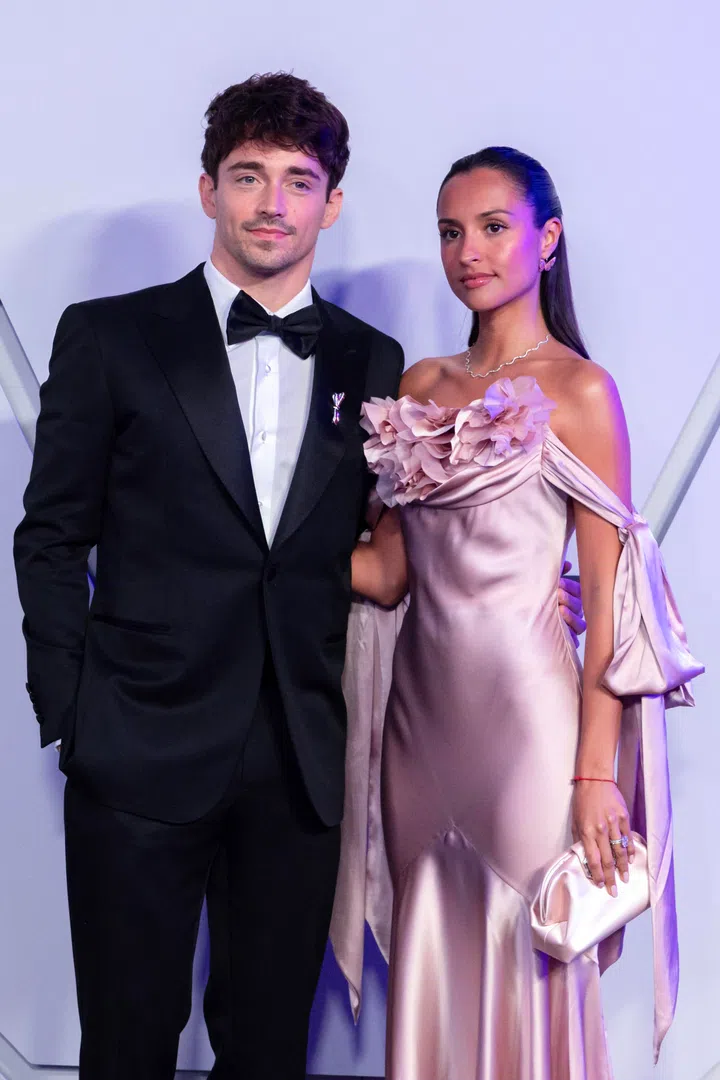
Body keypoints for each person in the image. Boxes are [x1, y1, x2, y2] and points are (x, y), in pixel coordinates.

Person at [13, 76, 584, 1078]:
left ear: (333, 202)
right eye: (248, 177)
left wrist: (523, 586)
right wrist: (74, 712)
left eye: (298, 179)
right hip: (136, 753)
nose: (272, 202)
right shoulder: (110, 336)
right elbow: (51, 538)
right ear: (209, 191)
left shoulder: (379, 365)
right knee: (126, 1042)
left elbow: (394, 551)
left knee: (270, 1051)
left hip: (302, 764)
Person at [349, 147, 703, 1079]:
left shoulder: (583, 394)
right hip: (417, 735)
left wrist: (595, 778)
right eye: (451, 232)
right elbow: (386, 573)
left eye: (494, 227)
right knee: (430, 956)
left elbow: (614, 608)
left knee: (529, 962)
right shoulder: (419, 388)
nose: (469, 250)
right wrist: (234, 553)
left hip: (531, 737)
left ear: (547, 240)